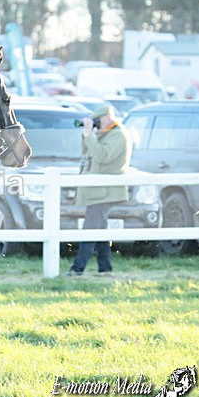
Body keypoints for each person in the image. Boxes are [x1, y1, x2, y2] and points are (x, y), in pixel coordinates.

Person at [67, 104, 132, 276]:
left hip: (105, 191)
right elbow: (85, 152)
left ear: (107, 117)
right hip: (98, 191)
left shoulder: (118, 135)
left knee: (90, 229)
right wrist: (87, 134)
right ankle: (105, 268)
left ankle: (77, 268)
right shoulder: (104, 134)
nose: (96, 124)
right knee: (100, 230)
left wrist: (90, 134)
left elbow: (102, 156)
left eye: (98, 120)